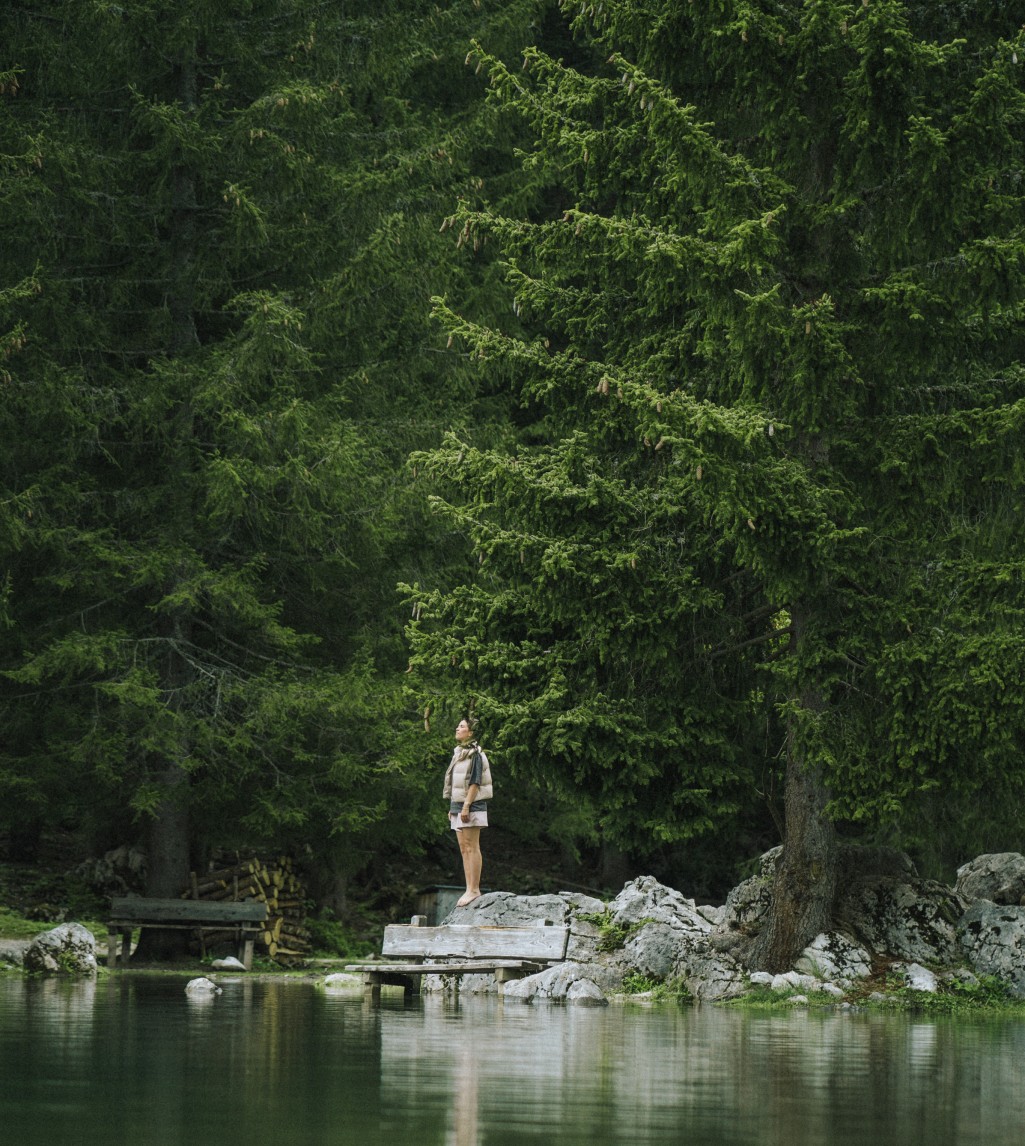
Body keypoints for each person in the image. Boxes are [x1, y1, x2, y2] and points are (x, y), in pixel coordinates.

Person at [443, 717, 493, 907]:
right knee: (464, 849)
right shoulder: (459, 753)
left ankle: (474, 889)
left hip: (471, 806)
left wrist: (465, 806)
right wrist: (453, 808)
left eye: (462, 726)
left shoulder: (475, 755)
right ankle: (468, 887)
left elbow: (475, 782)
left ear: (470, 732)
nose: (457, 728)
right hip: (458, 806)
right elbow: (456, 783)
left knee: (472, 846)